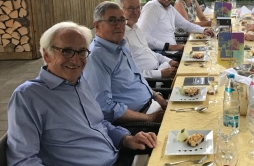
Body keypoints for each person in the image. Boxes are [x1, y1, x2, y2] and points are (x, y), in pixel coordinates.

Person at [7, 21, 158, 166]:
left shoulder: (80, 82)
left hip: (117, 156)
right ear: (47, 55)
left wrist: (126, 139)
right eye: (67, 51)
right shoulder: (28, 96)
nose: (75, 60)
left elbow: (99, 123)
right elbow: (23, 160)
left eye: (81, 52)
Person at [83, 2, 166, 124]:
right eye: (112, 20)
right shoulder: (96, 57)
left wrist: (160, 99)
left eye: (122, 20)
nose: (119, 25)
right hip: (138, 123)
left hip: (152, 106)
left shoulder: (121, 46)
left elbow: (138, 81)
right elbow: (104, 107)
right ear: (97, 26)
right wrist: (150, 118)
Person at [115, 0, 179, 79]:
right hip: (150, 81)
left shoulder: (136, 29)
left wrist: (169, 60)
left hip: (160, 68)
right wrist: (159, 74)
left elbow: (148, 51)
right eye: (130, 8)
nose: (136, 12)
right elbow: (128, 72)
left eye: (138, 8)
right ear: (119, 10)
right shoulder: (120, 36)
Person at [138, 0, 213, 52]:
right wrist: (168, 46)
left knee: (206, 49)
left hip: (172, 50)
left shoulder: (170, 8)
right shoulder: (152, 7)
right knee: (203, 53)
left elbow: (186, 24)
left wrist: (203, 30)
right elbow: (143, 35)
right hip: (160, 52)